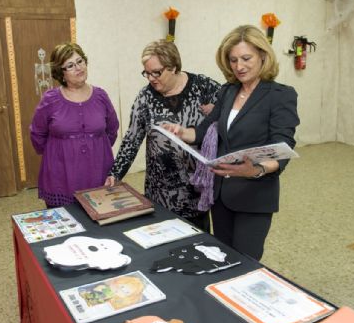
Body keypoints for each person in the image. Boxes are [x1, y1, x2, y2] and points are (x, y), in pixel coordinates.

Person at [163, 25, 300, 260]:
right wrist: (181, 132)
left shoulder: (281, 95)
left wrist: (256, 170)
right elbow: (204, 131)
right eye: (233, 60)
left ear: (263, 56)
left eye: (246, 58)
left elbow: (283, 146)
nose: (239, 66)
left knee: (246, 262)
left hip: (254, 194)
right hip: (221, 194)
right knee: (222, 258)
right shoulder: (228, 91)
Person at [105, 40, 220, 231]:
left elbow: (233, 109)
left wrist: (217, 111)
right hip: (160, 189)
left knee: (198, 242)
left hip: (195, 187)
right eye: (146, 73)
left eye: (156, 72)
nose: (150, 78)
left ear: (173, 66)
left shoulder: (203, 87)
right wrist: (116, 173)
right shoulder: (145, 97)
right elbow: (132, 139)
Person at [30, 42, 119, 208]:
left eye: (80, 61)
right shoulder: (51, 99)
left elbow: (112, 129)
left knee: (102, 222)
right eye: (70, 65)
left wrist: (96, 148)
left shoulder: (101, 95)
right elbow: (37, 134)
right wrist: (57, 153)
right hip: (61, 175)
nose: (78, 68)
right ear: (60, 73)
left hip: (97, 171)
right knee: (65, 224)